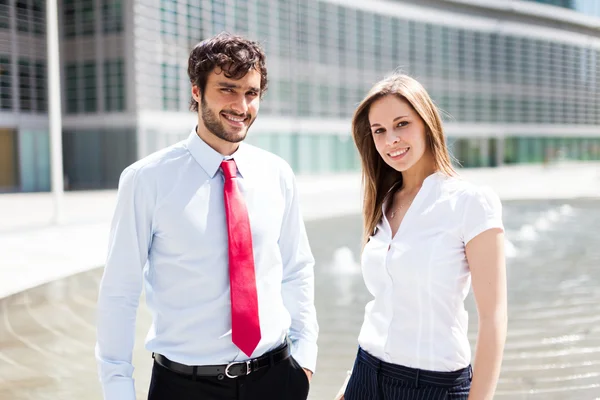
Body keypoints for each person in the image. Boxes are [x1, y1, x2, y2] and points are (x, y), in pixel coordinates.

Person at [95, 32, 318, 400]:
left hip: (277, 378)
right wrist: (118, 390)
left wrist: (305, 359)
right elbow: (119, 293)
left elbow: (297, 269)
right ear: (196, 91)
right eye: (227, 89)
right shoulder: (145, 180)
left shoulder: (277, 174)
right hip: (184, 386)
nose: (241, 105)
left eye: (251, 93)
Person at [338, 74, 507, 400]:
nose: (391, 140)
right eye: (380, 131)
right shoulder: (383, 200)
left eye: (402, 124)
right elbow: (382, 307)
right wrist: (349, 386)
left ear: (427, 123)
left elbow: (494, 318)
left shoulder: (470, 203)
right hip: (364, 376)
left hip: (431, 386)